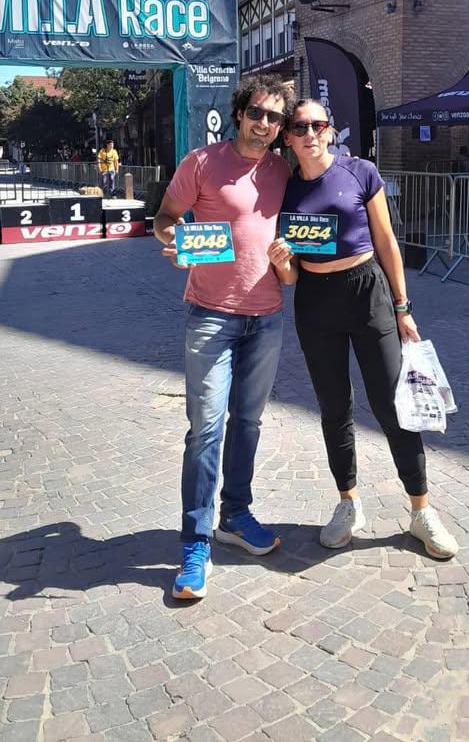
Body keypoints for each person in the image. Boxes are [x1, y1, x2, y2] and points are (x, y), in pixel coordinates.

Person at [268, 99, 459, 561]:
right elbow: (290, 276)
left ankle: (421, 510)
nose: (310, 134)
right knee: (334, 406)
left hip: (367, 291)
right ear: (288, 137)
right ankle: (348, 503)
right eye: (300, 127)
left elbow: (387, 240)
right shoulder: (286, 190)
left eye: (318, 125)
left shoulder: (360, 172)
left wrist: (403, 306)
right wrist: (281, 263)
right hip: (315, 299)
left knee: (392, 404)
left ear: (330, 132)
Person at [155, 75, 294, 600]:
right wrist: (174, 241)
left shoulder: (282, 170)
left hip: (267, 316)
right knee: (205, 430)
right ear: (239, 113)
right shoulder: (202, 163)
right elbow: (165, 218)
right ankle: (195, 542)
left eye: (274, 117)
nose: (264, 123)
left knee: (248, 423)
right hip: (211, 316)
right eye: (256, 112)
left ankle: (235, 515)